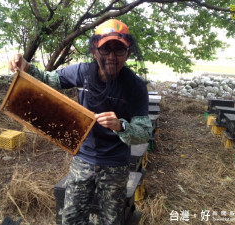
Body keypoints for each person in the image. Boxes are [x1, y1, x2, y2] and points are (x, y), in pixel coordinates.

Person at [8, 18, 152, 225]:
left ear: (128, 53)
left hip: (116, 164)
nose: (111, 57)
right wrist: (26, 66)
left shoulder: (135, 86)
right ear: (95, 51)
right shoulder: (82, 73)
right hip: (83, 159)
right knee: (71, 217)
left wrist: (121, 125)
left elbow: (144, 132)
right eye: (105, 49)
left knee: (110, 220)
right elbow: (49, 80)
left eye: (118, 50)